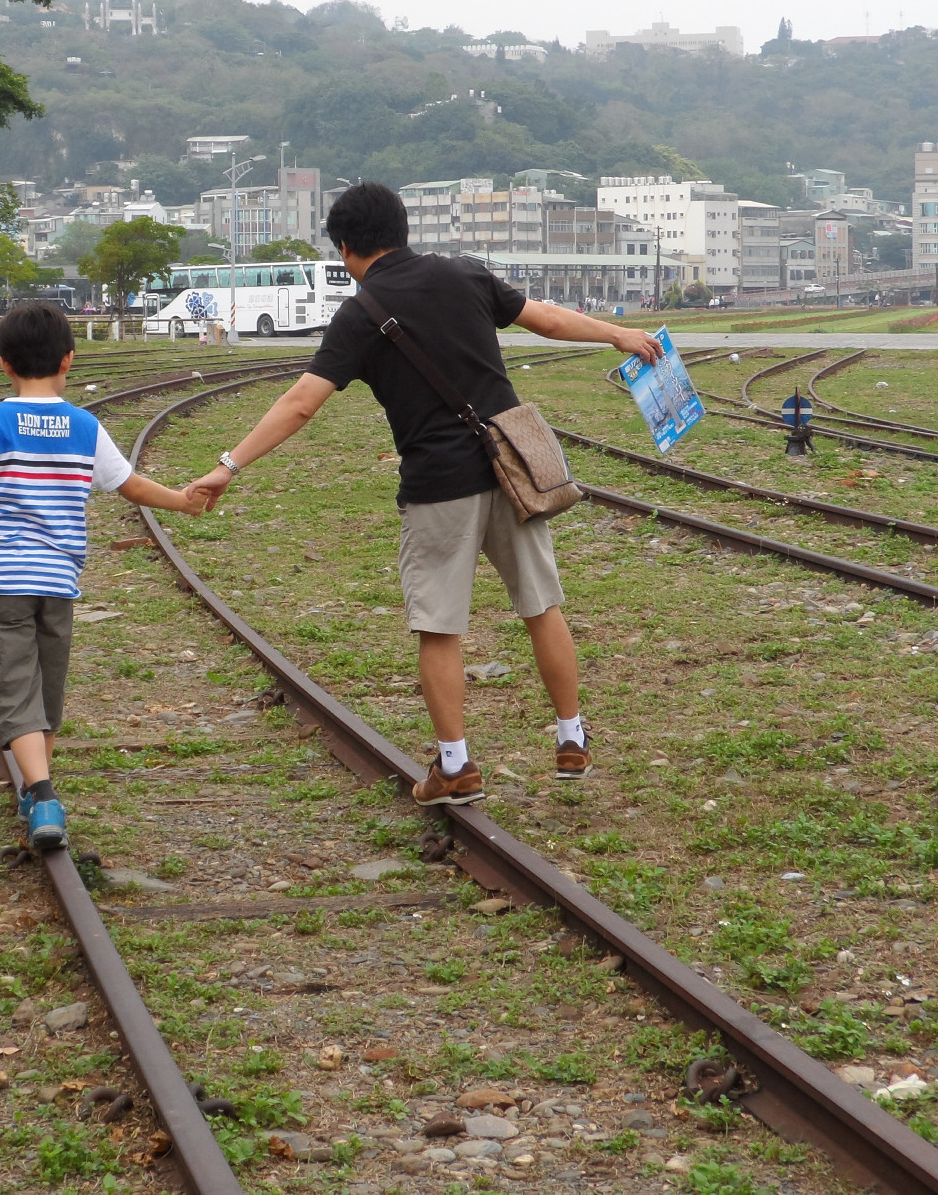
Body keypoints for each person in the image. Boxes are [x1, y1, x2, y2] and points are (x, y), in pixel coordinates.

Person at [185, 181, 662, 806]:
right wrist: (614, 335)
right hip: (511, 470)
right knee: (541, 606)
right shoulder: (465, 274)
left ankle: (457, 766)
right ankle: (572, 738)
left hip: (439, 486)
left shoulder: (359, 315)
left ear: (347, 247)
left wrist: (229, 464)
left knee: (440, 627)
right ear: (403, 230)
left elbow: (301, 404)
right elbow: (542, 318)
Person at [0, 301, 202, 851]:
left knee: (11, 688)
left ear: (4, 363)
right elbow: (131, 487)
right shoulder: (84, 425)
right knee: (45, 692)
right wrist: (184, 501)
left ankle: (43, 792)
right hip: (58, 581)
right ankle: (36, 796)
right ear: (69, 361)